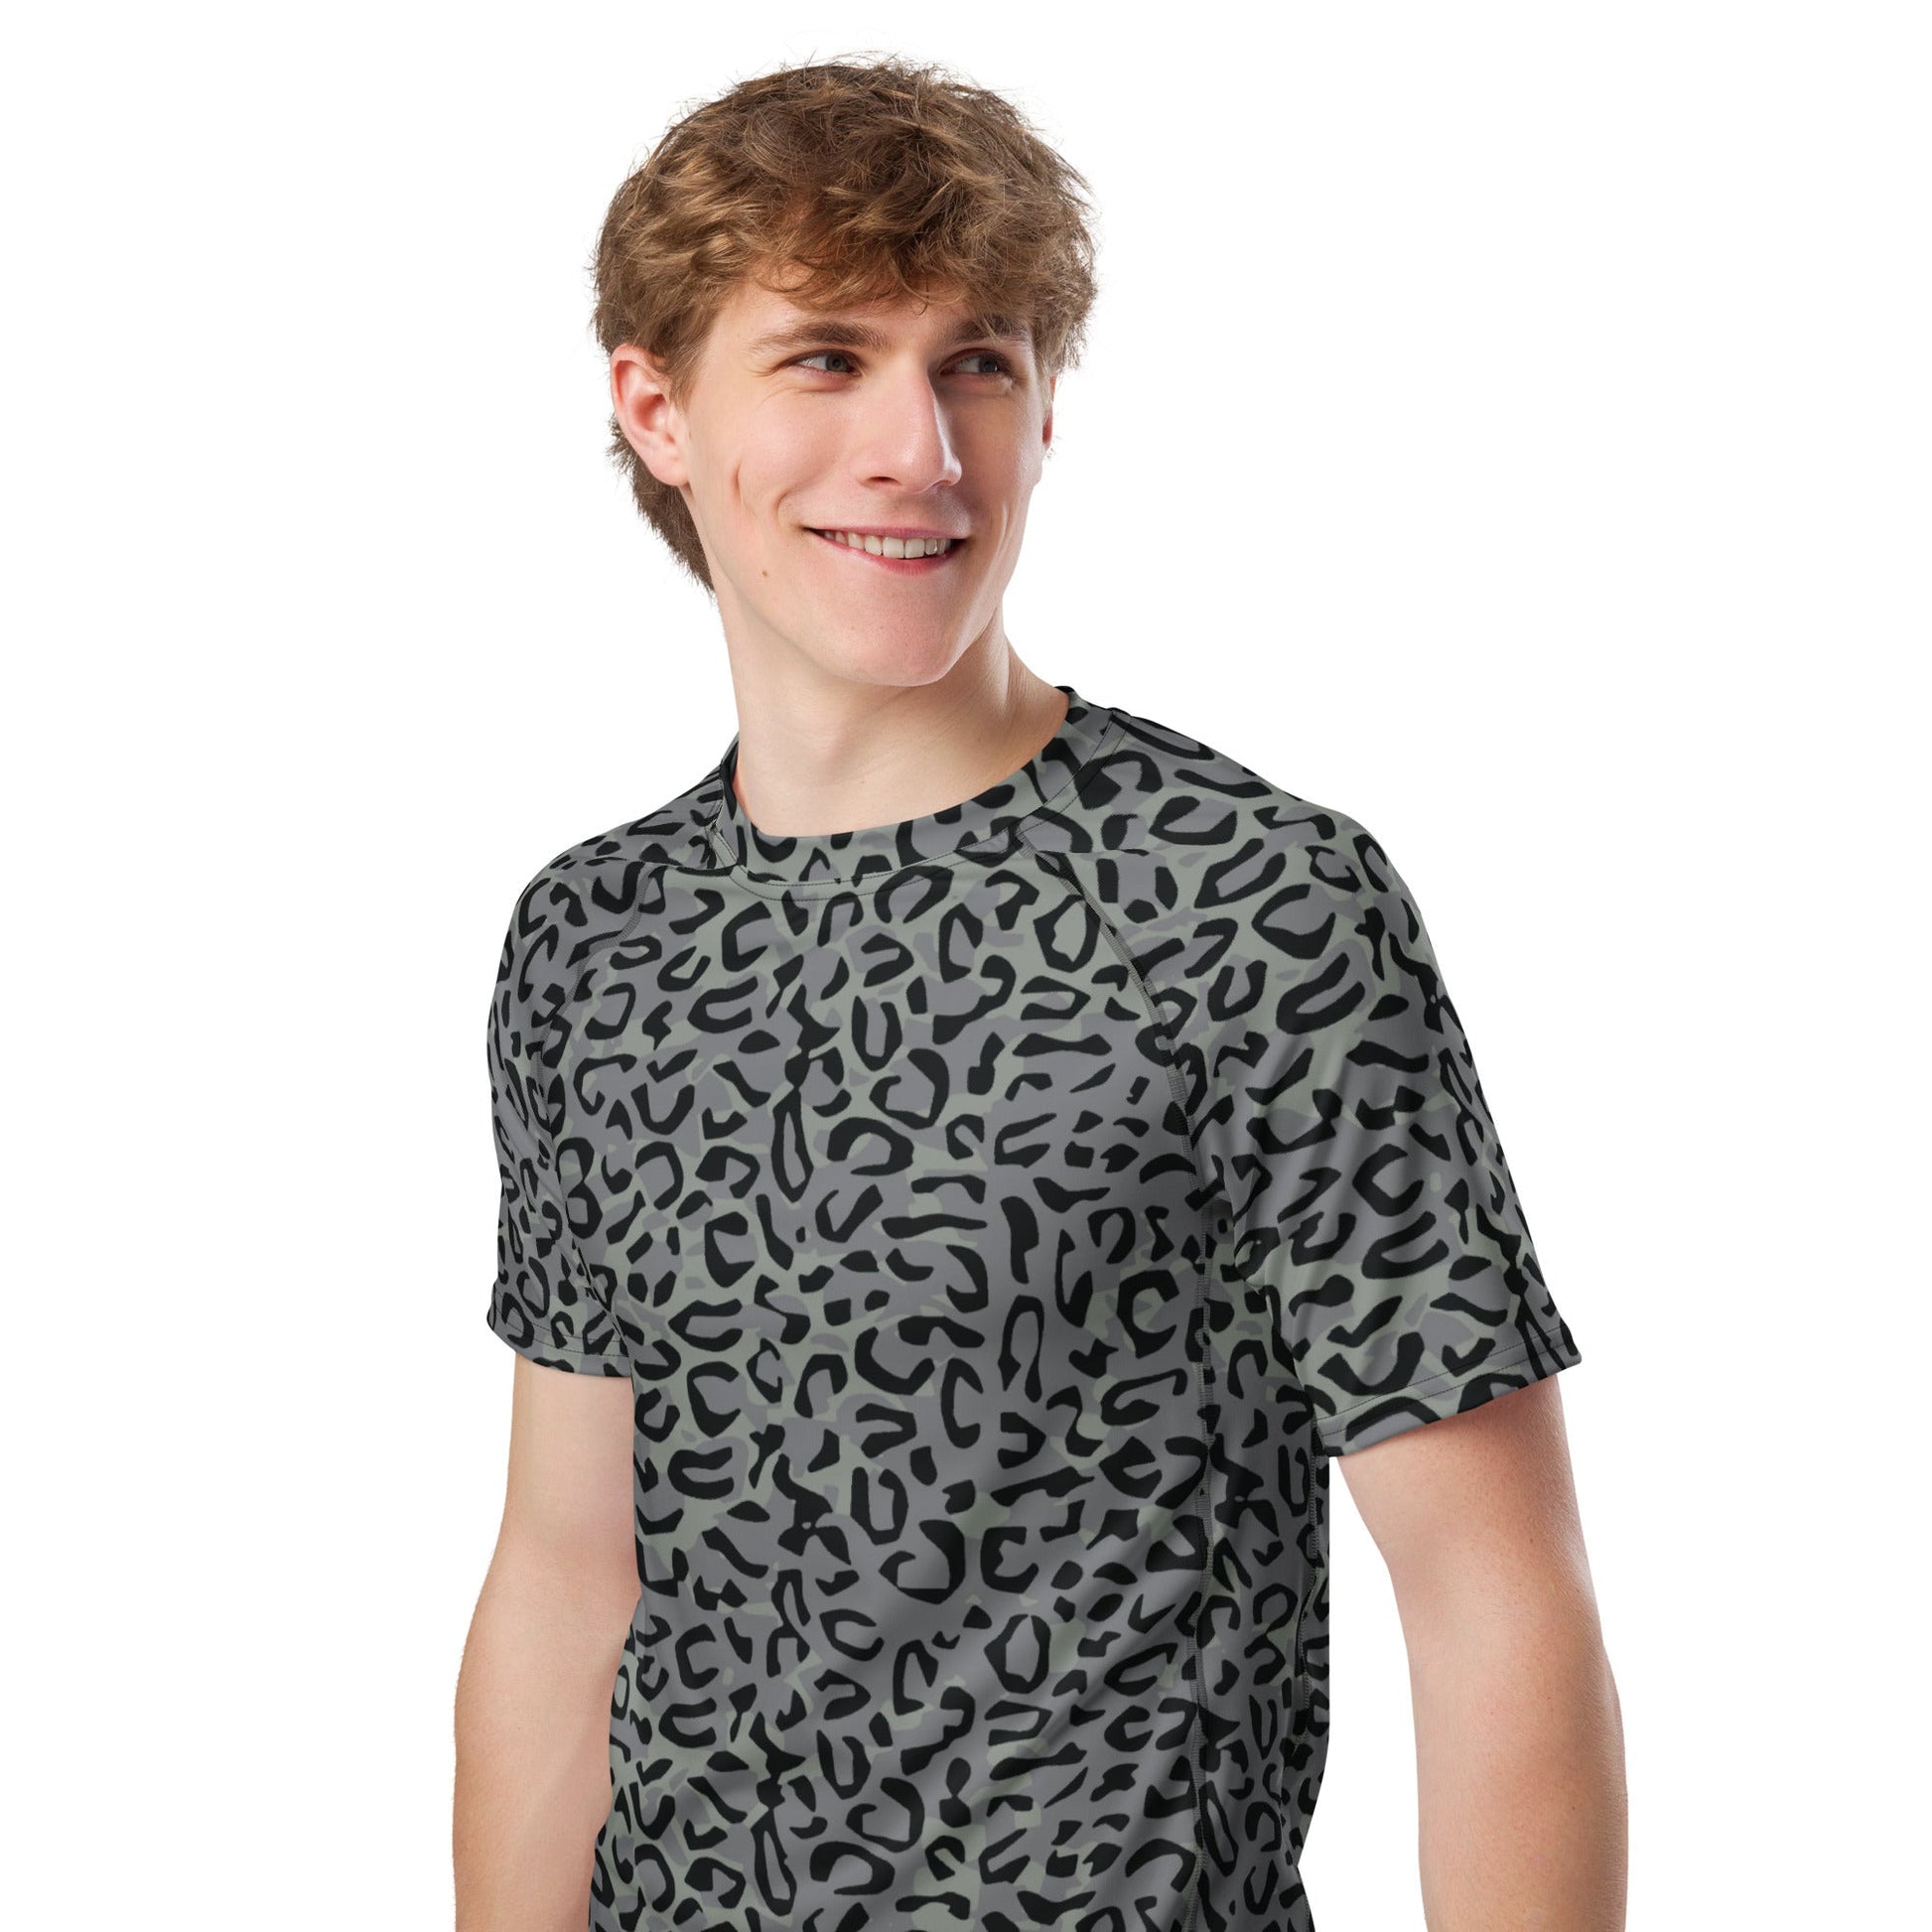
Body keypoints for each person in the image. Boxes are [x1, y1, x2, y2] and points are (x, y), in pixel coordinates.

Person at [452, 55, 1627, 1932]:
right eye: (827, 358)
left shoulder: (1252, 905)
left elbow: (1492, 1594)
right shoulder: (593, 940)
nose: (918, 448)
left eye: (976, 365)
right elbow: (567, 1575)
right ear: (657, 409)